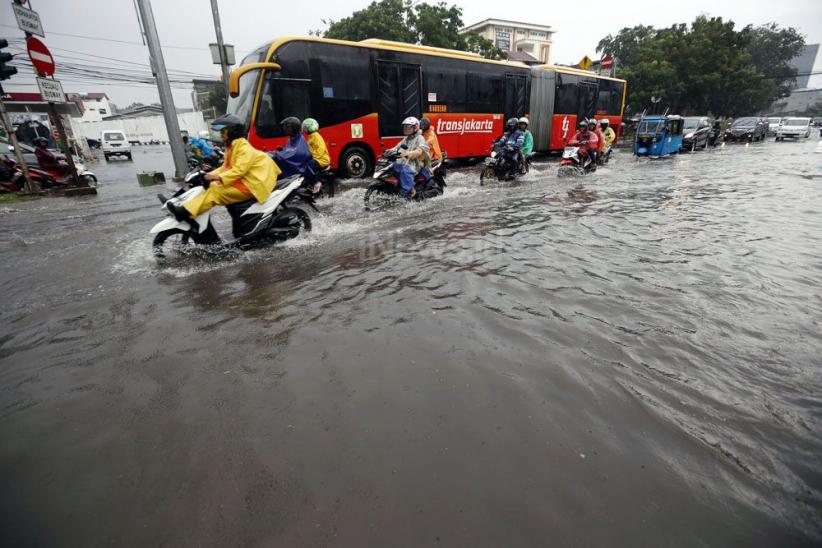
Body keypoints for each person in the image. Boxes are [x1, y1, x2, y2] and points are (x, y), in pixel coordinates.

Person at [165, 113, 280, 221]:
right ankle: (184, 204)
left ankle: (185, 211)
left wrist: (214, 177)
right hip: (246, 181)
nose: (221, 134)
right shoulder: (232, 147)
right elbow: (225, 167)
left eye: (223, 131)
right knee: (212, 185)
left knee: (216, 192)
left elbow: (239, 171)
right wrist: (208, 175)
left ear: (233, 132)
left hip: (253, 185)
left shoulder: (243, 148)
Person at [385, 116, 429, 198]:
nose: (405, 129)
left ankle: (410, 190)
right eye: (405, 126)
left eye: (408, 127)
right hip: (405, 162)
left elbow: (419, 151)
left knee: (404, 171)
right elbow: (397, 147)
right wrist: (389, 151)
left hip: (415, 163)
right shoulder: (406, 139)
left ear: (415, 127)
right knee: (392, 167)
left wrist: (407, 153)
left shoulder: (420, 138)